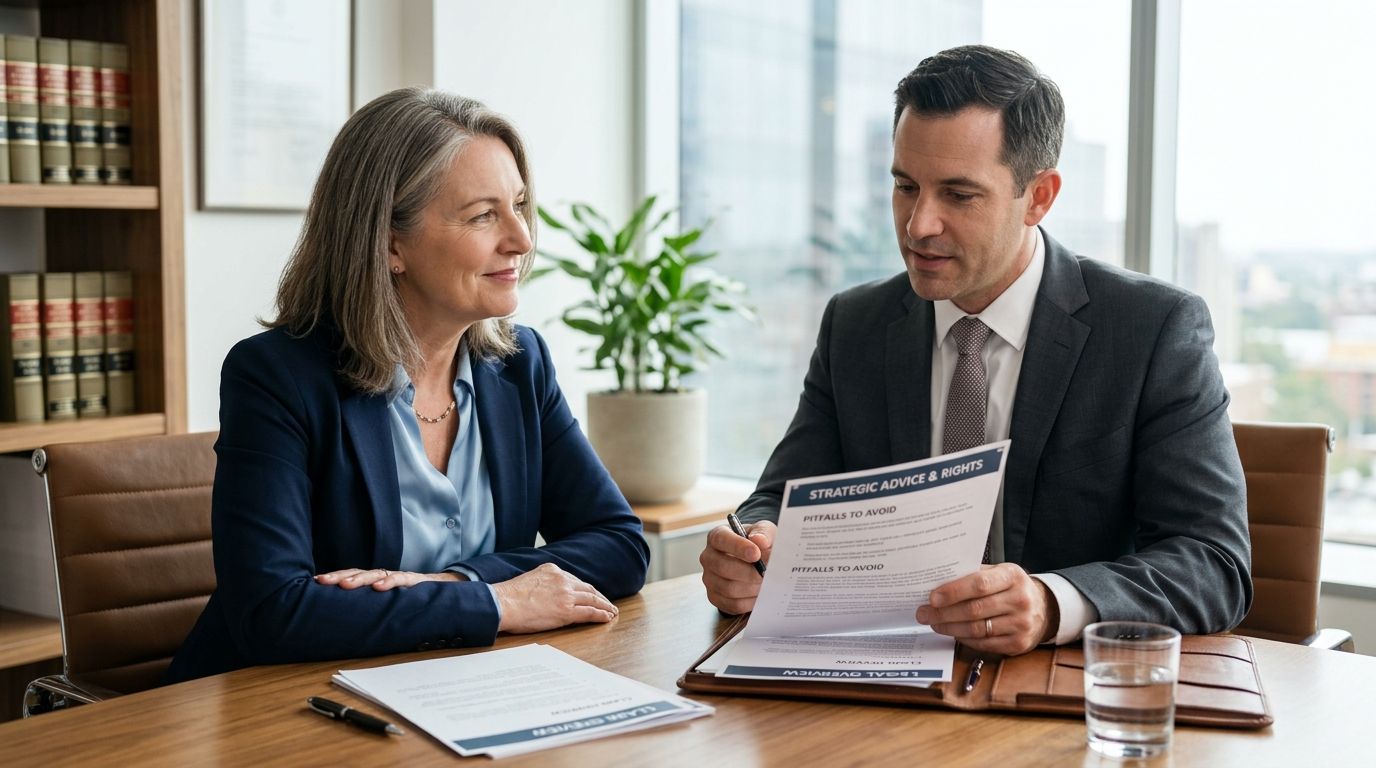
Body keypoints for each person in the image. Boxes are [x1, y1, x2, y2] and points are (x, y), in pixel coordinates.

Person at [699, 45, 1251, 656]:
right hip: (879, 677)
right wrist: (753, 545)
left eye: (959, 195)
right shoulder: (856, 324)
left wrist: (1050, 603)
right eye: (906, 186)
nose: (918, 226)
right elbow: (782, 495)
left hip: (1060, 699)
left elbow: (1213, 563)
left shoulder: (1153, 330)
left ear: (1038, 197)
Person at [167, 88, 649, 682]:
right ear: (390, 243)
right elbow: (271, 611)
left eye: (519, 205)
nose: (522, 239)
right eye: (482, 215)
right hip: (289, 706)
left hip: (461, 688)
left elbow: (620, 546)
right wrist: (501, 602)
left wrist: (456, 582)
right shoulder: (277, 377)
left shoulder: (520, 365)